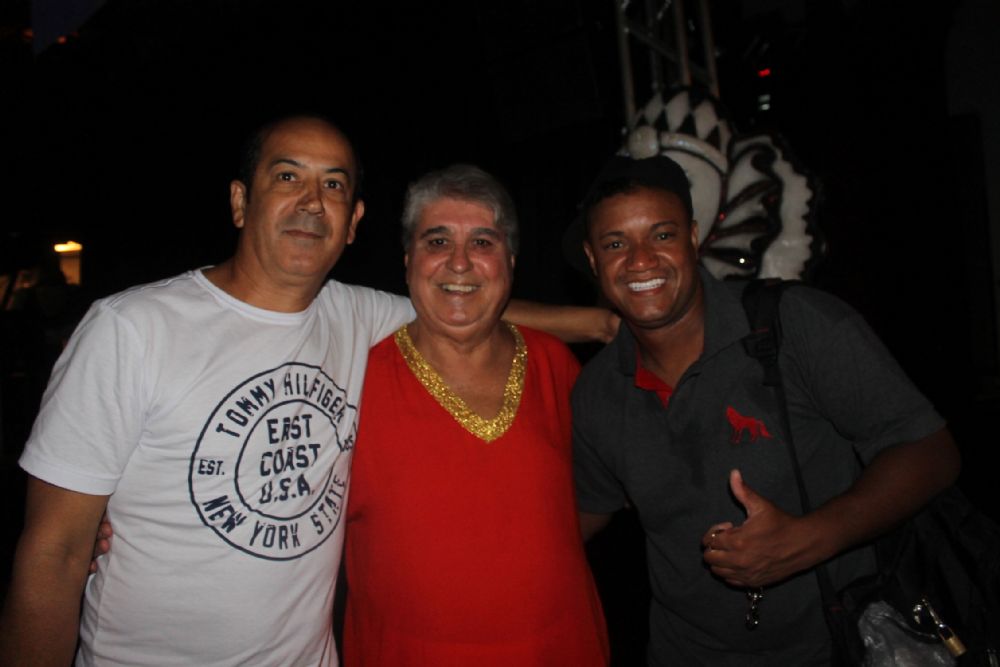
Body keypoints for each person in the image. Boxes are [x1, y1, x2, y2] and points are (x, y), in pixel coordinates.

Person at [0, 114, 613, 667]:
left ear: (354, 223)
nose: (313, 202)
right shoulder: (131, 329)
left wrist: (612, 323)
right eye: (288, 176)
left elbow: (466, 301)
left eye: (334, 185)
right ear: (240, 201)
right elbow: (53, 554)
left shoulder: (355, 316)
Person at [569, 154, 961, 665]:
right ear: (593, 259)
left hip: (837, 645)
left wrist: (807, 539)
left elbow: (931, 451)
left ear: (693, 237)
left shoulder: (795, 325)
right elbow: (582, 512)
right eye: (616, 244)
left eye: (662, 235)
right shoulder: (598, 390)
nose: (641, 260)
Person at [341, 164, 609, 666]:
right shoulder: (352, 380)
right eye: (438, 241)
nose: (459, 262)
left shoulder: (555, 365)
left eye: (482, 242)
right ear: (408, 260)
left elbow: (607, 488)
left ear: (510, 261)